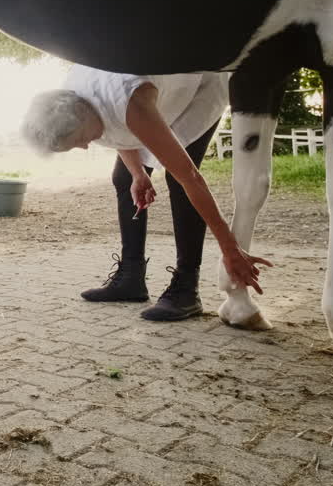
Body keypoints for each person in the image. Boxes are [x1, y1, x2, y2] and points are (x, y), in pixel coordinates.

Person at [22, 66, 268, 321]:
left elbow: (190, 178)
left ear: (83, 113)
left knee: (178, 178)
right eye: (76, 145)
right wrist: (139, 174)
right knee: (125, 176)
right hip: (152, 95)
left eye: (80, 138)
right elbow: (115, 131)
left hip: (198, 85)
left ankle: (187, 287)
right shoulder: (73, 98)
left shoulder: (129, 100)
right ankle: (131, 277)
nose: (84, 146)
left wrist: (230, 248)